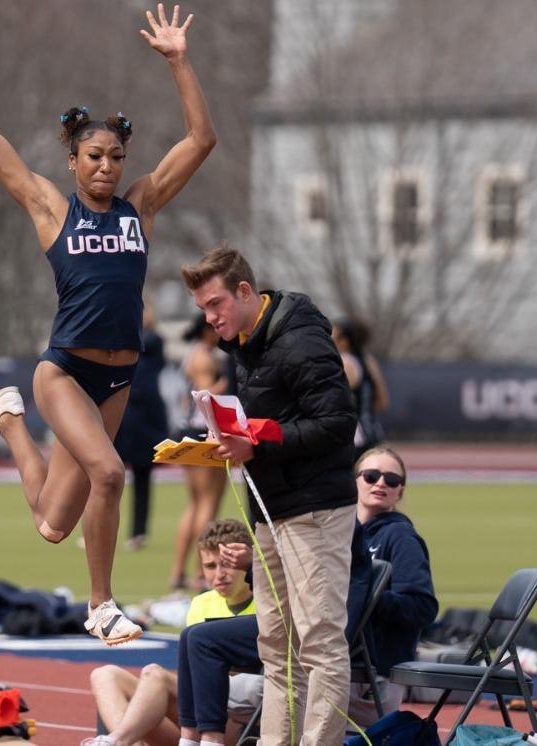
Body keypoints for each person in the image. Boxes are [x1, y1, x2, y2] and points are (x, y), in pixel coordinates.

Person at [0, 3, 215, 645]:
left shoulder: (140, 207)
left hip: (118, 379)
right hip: (66, 371)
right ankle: (102, 604)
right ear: (73, 159)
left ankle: (9, 419)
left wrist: (180, 62)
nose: (106, 167)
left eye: (116, 157)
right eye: (94, 156)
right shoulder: (51, 208)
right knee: (109, 474)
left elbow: (201, 140)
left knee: (51, 524)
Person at [181, 245, 358, 746]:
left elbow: (339, 423)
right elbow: (266, 430)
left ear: (244, 291)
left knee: (320, 643)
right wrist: (228, 444)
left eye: (215, 304)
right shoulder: (246, 344)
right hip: (270, 510)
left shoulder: (299, 339)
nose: (210, 318)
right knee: (275, 646)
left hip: (315, 511)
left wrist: (259, 438)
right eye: (202, 310)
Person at [87, 519, 255, 746]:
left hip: (235, 722)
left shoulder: (265, 606)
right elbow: (191, 676)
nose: (219, 574)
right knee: (105, 675)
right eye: (210, 566)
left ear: (245, 563)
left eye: (227, 564)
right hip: (193, 720)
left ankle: (117, 741)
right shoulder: (200, 604)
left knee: (155, 674)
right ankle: (123, 743)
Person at [349, 445, 437, 725]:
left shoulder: (400, 538)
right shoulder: (339, 533)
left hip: (372, 676)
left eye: (392, 480)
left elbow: (422, 608)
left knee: (266, 698)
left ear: (400, 491)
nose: (380, 483)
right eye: (371, 475)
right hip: (339, 662)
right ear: (355, 481)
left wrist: (368, 596)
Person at [171, 312, 230, 591]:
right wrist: (231, 381)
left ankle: (178, 572)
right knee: (208, 504)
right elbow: (207, 396)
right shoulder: (205, 357)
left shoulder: (193, 354)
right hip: (204, 432)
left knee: (194, 504)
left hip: (188, 431)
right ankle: (199, 574)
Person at [113, 307, 169, 551]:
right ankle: (98, 528)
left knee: (142, 477)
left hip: (143, 422)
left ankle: (138, 533)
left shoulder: (152, 342)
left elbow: (145, 342)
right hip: (125, 418)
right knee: (107, 476)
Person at [331, 318, 389, 455]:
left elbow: (332, 402)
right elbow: (383, 402)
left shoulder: (344, 362)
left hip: (353, 437)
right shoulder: (369, 361)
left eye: (332, 335)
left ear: (344, 341)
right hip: (373, 433)